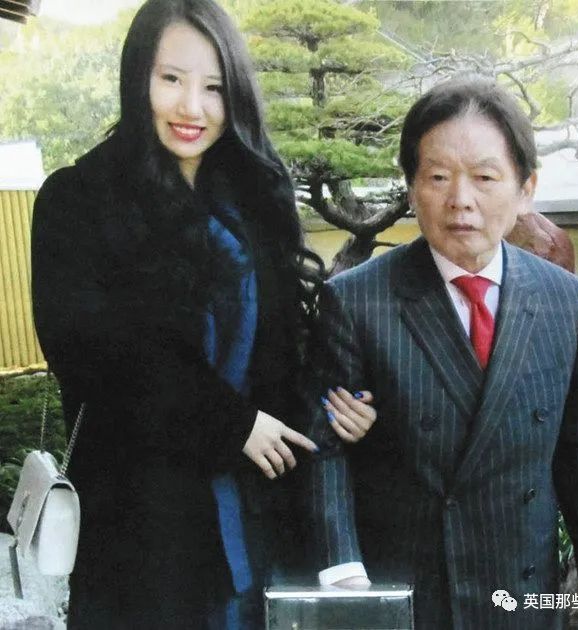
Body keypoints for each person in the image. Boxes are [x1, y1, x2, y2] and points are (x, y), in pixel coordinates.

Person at [31, 0, 375, 628]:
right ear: (137, 77)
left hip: (261, 510)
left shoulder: (255, 196)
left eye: (214, 88)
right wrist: (230, 424)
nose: (192, 106)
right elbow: (89, 352)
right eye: (171, 79)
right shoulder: (79, 199)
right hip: (144, 517)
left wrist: (340, 409)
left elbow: (286, 353)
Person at [307, 77, 578, 629]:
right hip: (411, 585)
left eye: (484, 177)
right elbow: (326, 446)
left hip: (522, 590)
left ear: (525, 188)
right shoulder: (356, 299)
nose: (460, 200)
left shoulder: (564, 297)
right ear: (411, 189)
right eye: (437, 177)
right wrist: (343, 570)